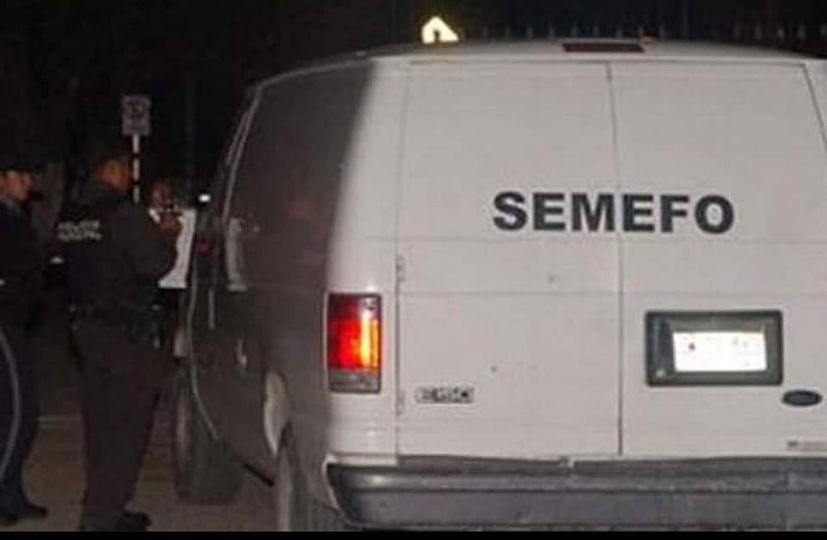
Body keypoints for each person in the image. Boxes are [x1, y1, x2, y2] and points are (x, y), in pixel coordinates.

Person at [55, 138, 181, 531]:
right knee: (126, 428)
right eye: (126, 169)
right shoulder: (123, 214)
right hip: (127, 334)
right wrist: (168, 234)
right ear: (111, 169)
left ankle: (99, 505)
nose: (129, 177)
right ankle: (105, 515)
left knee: (100, 426)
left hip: (86, 330)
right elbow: (155, 263)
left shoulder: (72, 215)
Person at [0, 148, 48, 526]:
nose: (28, 183)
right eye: (20, 175)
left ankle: (12, 495)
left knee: (10, 410)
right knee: (20, 411)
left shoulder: (15, 216)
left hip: (16, 318)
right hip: (3, 320)